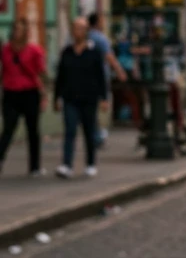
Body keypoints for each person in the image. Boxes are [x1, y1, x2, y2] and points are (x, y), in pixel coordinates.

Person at [53, 17, 108, 179]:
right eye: (75, 28)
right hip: (70, 97)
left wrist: (104, 98)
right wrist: (57, 97)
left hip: (89, 98)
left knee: (88, 131)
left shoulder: (94, 52)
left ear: (86, 32)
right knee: (70, 130)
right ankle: (66, 165)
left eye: (81, 28)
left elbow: (100, 76)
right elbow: (60, 76)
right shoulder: (67, 52)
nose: (77, 32)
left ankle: (90, 164)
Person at [0, 18, 47, 177]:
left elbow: (41, 72)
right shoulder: (5, 50)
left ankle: (34, 166)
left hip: (30, 93)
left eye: (20, 29)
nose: (16, 32)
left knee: (33, 130)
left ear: (26, 32)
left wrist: (44, 94)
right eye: (15, 29)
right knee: (8, 129)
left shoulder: (34, 50)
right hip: (10, 93)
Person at [87, 11, 127, 147]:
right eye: (102, 20)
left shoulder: (85, 37)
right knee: (100, 107)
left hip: (86, 78)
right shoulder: (100, 38)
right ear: (97, 22)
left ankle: (94, 135)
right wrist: (120, 71)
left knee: (90, 108)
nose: (104, 22)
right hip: (100, 78)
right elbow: (109, 56)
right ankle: (97, 136)